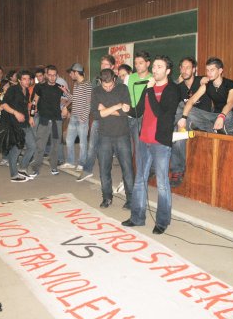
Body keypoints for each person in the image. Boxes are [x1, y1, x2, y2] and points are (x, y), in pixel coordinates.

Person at [122, 55, 179, 234]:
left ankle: (162, 221)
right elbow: (139, 110)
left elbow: (160, 112)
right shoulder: (149, 89)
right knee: (140, 179)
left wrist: (151, 90)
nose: (155, 70)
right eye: (154, 66)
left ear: (168, 71)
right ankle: (137, 217)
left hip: (160, 142)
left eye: (159, 67)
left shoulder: (172, 90)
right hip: (143, 139)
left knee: (162, 183)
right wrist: (126, 109)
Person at [91, 68, 134, 209]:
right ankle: (107, 197)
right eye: (105, 86)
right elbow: (96, 115)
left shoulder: (122, 88)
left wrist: (105, 109)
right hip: (104, 135)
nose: (108, 89)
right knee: (104, 169)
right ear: (100, 82)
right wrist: (117, 106)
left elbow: (125, 113)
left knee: (127, 169)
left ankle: (131, 199)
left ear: (114, 80)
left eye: (110, 86)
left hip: (122, 134)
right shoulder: (96, 91)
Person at [77, 54, 120, 182]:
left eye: (106, 65)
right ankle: (87, 170)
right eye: (102, 65)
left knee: (119, 146)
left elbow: (119, 100)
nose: (103, 67)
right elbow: (95, 99)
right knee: (92, 145)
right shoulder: (98, 80)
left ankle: (125, 174)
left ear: (112, 67)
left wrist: (106, 107)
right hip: (99, 118)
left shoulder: (118, 81)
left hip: (114, 118)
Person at [171, 57, 212, 187]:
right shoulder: (179, 86)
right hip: (186, 121)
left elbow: (192, 101)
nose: (185, 70)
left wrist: (182, 117)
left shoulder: (201, 81)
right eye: (182, 67)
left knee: (186, 109)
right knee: (176, 134)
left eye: (188, 67)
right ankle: (177, 170)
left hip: (204, 121)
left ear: (194, 69)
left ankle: (177, 169)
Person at [178, 57, 233, 134]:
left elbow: (230, 103)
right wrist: (183, 118)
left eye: (212, 70)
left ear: (220, 71)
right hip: (214, 116)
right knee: (189, 110)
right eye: (207, 70)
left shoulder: (230, 84)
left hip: (229, 115)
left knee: (228, 115)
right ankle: (213, 131)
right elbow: (191, 100)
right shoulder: (206, 85)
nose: (209, 73)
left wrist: (222, 116)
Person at [0, 70, 37, 183]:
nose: (27, 81)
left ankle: (22, 169)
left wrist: (30, 117)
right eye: (24, 79)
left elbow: (27, 107)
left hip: (25, 123)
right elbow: (3, 104)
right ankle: (14, 175)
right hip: (13, 124)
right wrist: (15, 113)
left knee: (32, 146)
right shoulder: (13, 90)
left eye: (29, 79)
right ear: (20, 80)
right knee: (16, 149)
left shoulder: (27, 91)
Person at [29, 65, 64, 178]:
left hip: (56, 120)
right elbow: (34, 102)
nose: (52, 77)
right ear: (46, 75)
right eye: (50, 75)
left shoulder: (60, 87)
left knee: (55, 145)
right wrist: (31, 116)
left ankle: (53, 166)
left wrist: (64, 107)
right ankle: (35, 168)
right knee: (40, 145)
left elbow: (68, 98)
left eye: (54, 75)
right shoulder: (40, 87)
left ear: (57, 76)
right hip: (44, 120)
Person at [60, 63, 93, 170]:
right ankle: (70, 162)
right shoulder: (76, 84)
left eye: (71, 73)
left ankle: (82, 163)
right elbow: (74, 99)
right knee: (69, 140)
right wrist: (66, 92)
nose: (70, 75)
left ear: (76, 72)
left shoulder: (87, 84)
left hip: (82, 118)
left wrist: (83, 117)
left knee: (83, 143)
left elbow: (89, 102)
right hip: (73, 117)